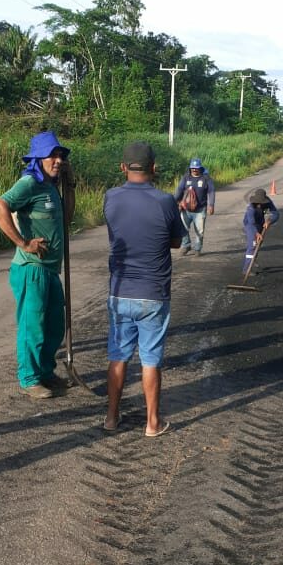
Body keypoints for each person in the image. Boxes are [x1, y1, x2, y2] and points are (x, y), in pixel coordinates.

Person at [102, 141, 187, 437]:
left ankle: (111, 417)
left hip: (120, 290)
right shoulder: (165, 201)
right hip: (153, 293)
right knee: (150, 359)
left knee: (118, 355)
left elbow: (116, 234)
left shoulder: (110, 198)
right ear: (154, 167)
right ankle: (152, 423)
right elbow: (177, 242)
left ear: (123, 168)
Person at [0, 131, 76, 400]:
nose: (58, 160)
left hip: (50, 270)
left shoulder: (51, 186)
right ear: (38, 158)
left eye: (60, 155)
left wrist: (70, 185)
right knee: (33, 326)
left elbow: (67, 218)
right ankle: (29, 378)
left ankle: (45, 372)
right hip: (31, 269)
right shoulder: (29, 183)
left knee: (53, 326)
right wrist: (23, 242)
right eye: (52, 155)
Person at [173, 157, 216, 256]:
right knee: (182, 228)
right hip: (186, 209)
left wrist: (211, 205)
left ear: (200, 168)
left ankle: (197, 248)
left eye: (196, 168)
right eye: (192, 168)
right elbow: (179, 190)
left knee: (199, 231)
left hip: (200, 209)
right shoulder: (186, 177)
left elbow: (211, 191)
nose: (194, 170)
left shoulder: (206, 178)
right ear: (190, 168)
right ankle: (186, 245)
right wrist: (174, 202)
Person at [242, 188, 279, 273]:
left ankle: (253, 259)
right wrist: (256, 233)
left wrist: (270, 220)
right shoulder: (251, 208)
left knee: (258, 243)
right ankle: (246, 269)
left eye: (261, 203)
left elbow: (276, 213)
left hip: (260, 223)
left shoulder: (268, 202)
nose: (259, 205)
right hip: (250, 225)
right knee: (253, 245)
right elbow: (251, 222)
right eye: (257, 203)